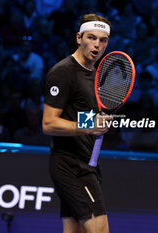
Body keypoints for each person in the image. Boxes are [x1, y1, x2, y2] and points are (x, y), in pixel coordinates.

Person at [42, 13, 112, 233]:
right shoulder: (63, 73)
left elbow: (75, 116)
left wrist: (96, 121)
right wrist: (89, 126)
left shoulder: (94, 74)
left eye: (103, 40)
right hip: (71, 166)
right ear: (78, 38)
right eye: (91, 38)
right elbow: (49, 123)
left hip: (87, 162)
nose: (97, 44)